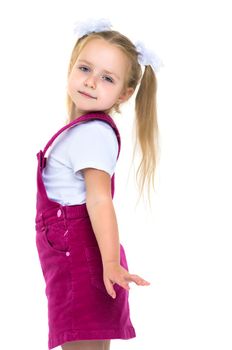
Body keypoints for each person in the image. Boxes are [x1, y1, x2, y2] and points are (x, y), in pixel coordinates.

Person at [35, 18, 161, 350]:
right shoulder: (83, 130)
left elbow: (100, 200)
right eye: (85, 68)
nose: (91, 82)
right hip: (78, 256)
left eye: (107, 78)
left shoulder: (92, 132)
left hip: (83, 258)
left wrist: (109, 263)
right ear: (71, 68)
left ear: (125, 93)